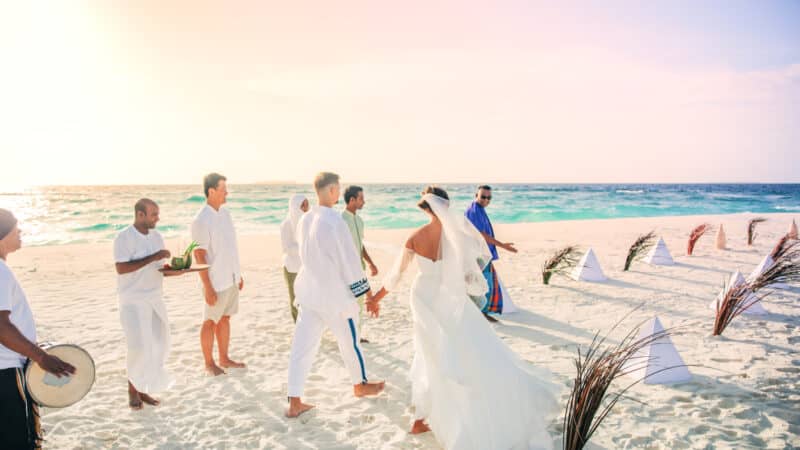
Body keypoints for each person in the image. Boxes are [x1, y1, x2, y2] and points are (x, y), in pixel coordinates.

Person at [368, 188, 557, 449]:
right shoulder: (458, 236)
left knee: (428, 352)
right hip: (449, 299)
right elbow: (473, 275)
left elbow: (396, 275)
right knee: (462, 350)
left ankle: (422, 417)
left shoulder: (415, 237)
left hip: (423, 296)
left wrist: (375, 299)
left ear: (425, 208)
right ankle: (428, 415)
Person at [285, 172, 384, 418]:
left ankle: (294, 401)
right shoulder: (335, 222)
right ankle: (359, 385)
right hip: (333, 297)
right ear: (330, 191)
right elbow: (350, 263)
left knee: (301, 348)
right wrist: (369, 294)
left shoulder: (305, 219)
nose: (339, 192)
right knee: (350, 342)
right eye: (338, 188)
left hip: (309, 294)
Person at [0, 209, 76, 449]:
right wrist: (41, 357)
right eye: (16, 228)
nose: (20, 232)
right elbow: (1, 326)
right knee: (19, 442)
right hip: (6, 373)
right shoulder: (0, 272)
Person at [113, 198, 175, 410]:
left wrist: (175, 270)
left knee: (156, 344)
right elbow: (121, 268)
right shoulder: (124, 237)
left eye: (157, 214)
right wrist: (154, 256)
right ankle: (132, 391)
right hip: (133, 300)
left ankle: (143, 388)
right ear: (140, 214)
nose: (157, 218)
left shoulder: (157, 236)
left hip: (155, 298)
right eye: (153, 214)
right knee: (138, 347)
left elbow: (160, 269)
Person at [191, 173, 245, 376]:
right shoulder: (201, 220)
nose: (227, 193)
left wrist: (238, 275)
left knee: (225, 319)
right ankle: (209, 362)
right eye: (223, 189)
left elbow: (231, 248)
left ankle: (224, 358)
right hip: (215, 281)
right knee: (210, 321)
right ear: (211, 191)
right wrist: (208, 287)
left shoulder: (225, 214)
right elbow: (199, 254)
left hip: (230, 278)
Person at [465, 185, 519, 321]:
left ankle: (482, 311)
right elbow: (481, 235)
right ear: (475, 195)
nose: (486, 200)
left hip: (481, 253)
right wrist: (503, 246)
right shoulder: (474, 211)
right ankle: (481, 314)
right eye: (483, 196)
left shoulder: (479, 209)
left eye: (489, 197)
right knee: (484, 282)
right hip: (477, 254)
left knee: (484, 281)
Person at [341, 185, 379, 343]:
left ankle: (355, 336)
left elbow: (360, 245)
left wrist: (371, 263)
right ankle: (347, 337)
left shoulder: (359, 220)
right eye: (361, 198)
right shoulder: (341, 221)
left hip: (360, 269)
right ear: (352, 200)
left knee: (359, 305)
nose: (364, 201)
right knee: (348, 304)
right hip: (346, 272)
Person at [280, 194, 309, 323]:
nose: (307, 207)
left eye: (307, 204)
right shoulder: (286, 224)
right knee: (295, 300)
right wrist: (304, 247)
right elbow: (286, 248)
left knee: (307, 299)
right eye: (304, 205)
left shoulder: (306, 222)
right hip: (292, 268)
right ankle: (298, 326)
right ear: (296, 206)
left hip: (306, 267)